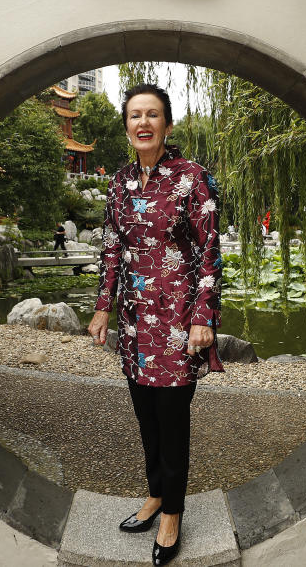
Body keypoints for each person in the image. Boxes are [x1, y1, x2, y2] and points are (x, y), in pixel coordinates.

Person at [87, 83, 224, 566]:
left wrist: (204, 318)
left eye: (152, 115)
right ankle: (155, 493)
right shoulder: (120, 181)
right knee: (145, 414)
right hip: (133, 319)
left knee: (172, 417)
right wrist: (103, 307)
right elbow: (110, 249)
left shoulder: (192, 178)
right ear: (126, 127)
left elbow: (210, 252)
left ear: (167, 124)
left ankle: (173, 512)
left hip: (178, 321)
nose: (142, 123)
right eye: (134, 116)